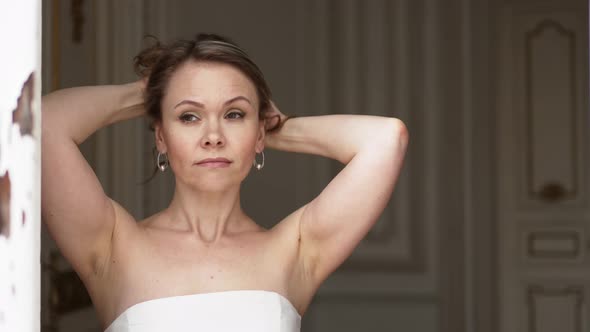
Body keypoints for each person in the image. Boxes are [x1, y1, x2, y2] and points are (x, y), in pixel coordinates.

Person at [41, 33, 408, 332]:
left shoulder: (295, 249)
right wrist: (150, 92)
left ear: (258, 130)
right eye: (188, 116)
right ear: (161, 138)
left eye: (234, 114)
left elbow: (386, 139)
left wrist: (277, 129)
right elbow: (43, 124)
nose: (213, 135)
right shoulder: (112, 245)